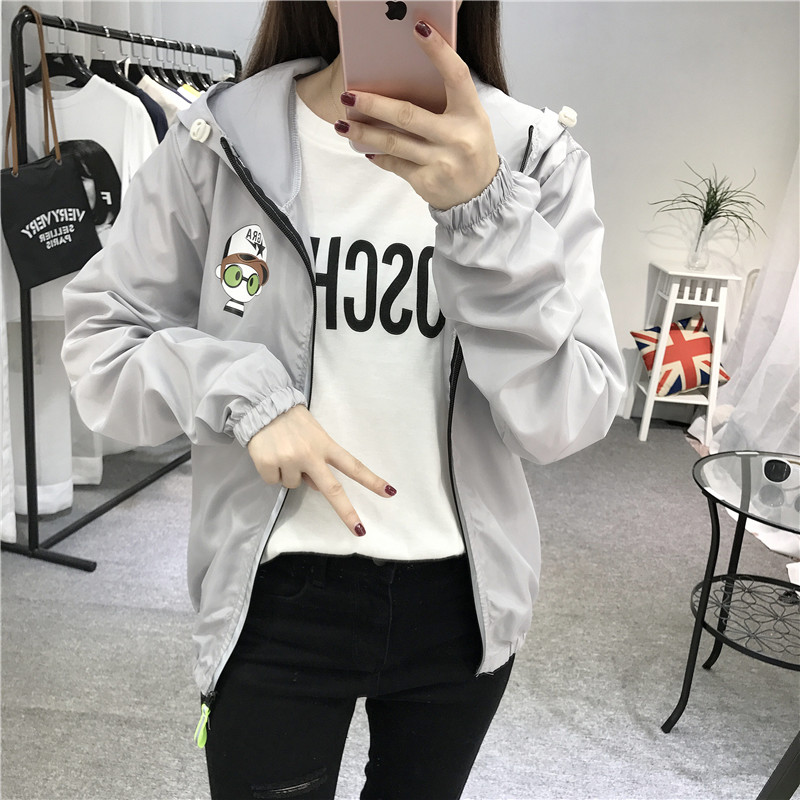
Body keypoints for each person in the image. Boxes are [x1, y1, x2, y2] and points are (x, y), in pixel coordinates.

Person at [61, 1, 626, 797]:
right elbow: (100, 342)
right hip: (272, 591)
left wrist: (485, 214)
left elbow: (568, 414)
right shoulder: (219, 140)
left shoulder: (535, 157)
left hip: (461, 602)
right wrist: (243, 391)